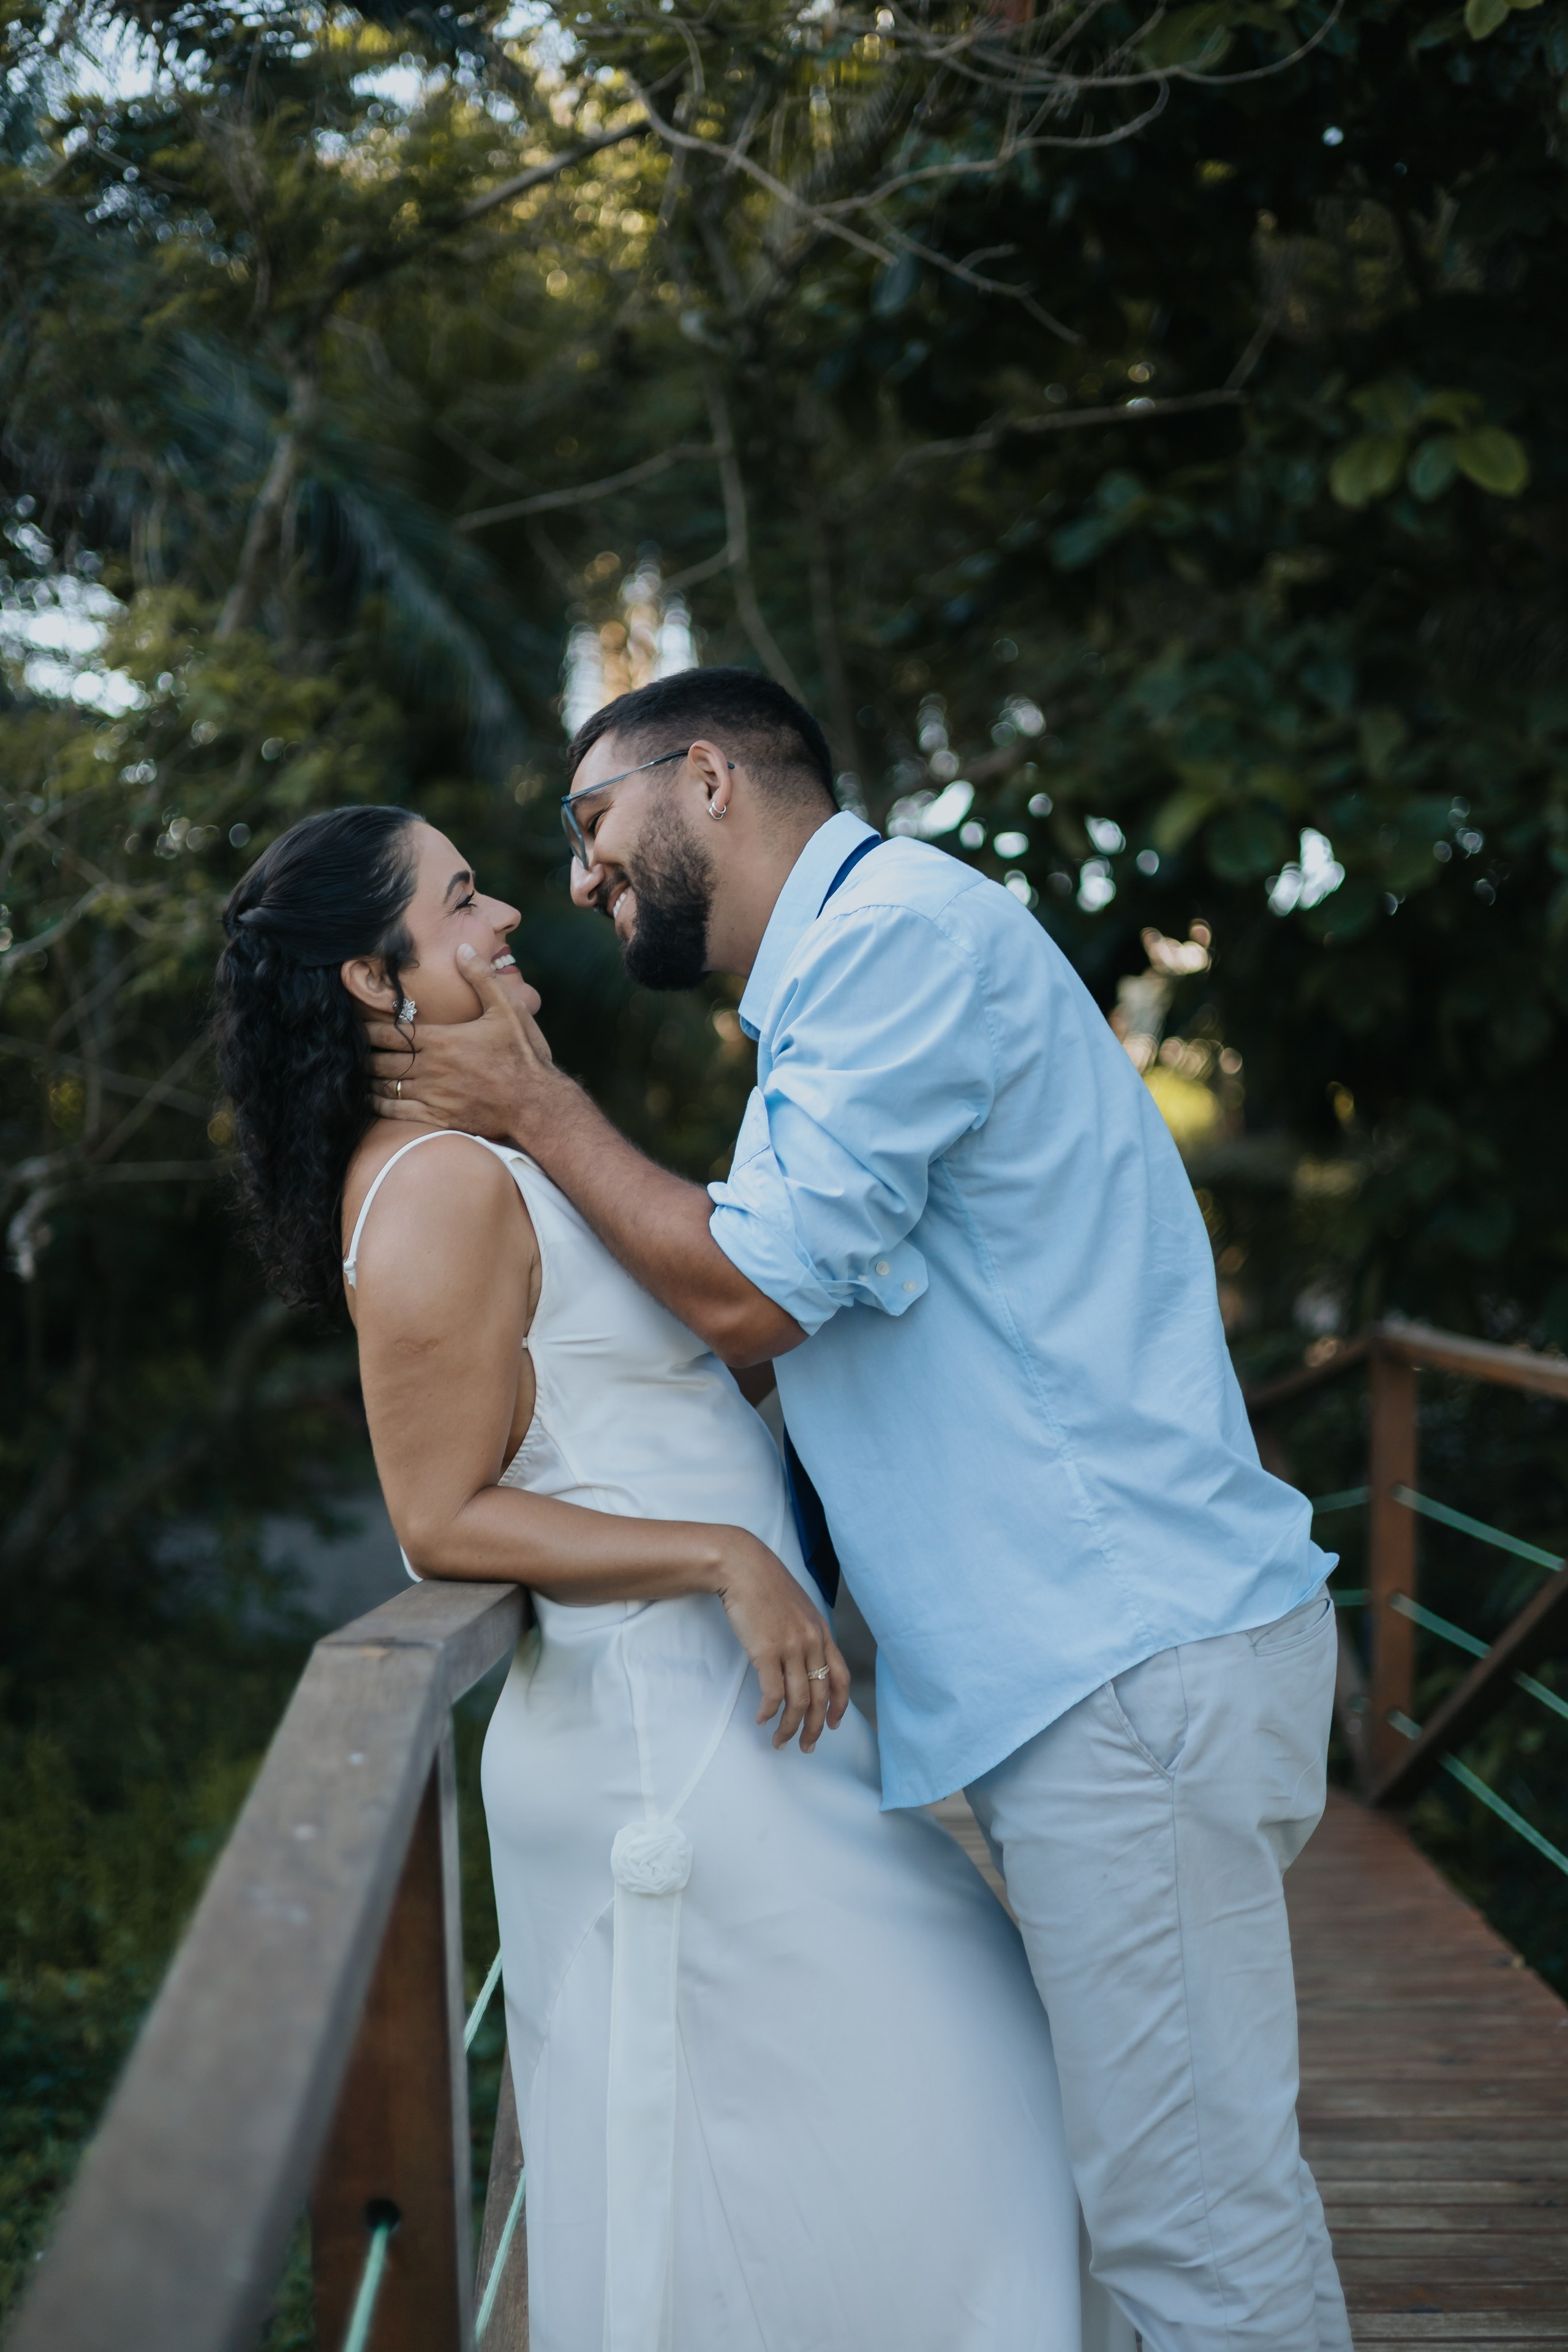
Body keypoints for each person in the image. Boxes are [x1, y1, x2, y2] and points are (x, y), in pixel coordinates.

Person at [369, 668, 1355, 2352]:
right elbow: (781, 1340)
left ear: (706, 782)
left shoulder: (899, 944)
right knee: (1146, 2215)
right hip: (1090, 1679)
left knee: (1195, 2236)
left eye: (594, 833)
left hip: (1127, 1668)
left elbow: (754, 1294)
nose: (585, 891)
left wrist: (535, 1108)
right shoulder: (838, 988)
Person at [214, 803, 1130, 2352]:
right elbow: (442, 1520)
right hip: (669, 1747)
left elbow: (641, 1392)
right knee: (925, 2122)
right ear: (374, 981)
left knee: (931, 2128)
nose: (504, 914)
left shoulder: (484, 1153)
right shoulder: (433, 1184)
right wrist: (719, 1557)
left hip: (744, 1730)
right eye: (455, 901)